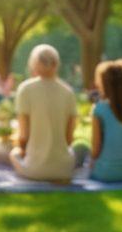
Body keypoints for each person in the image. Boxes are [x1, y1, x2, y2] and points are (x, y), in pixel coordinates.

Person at [10, 44, 78, 182]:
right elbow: (69, 139)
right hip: (64, 169)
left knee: (13, 153)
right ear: (57, 64)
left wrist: (23, 151)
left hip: (35, 170)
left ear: (34, 64)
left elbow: (23, 137)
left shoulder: (25, 89)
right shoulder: (68, 92)